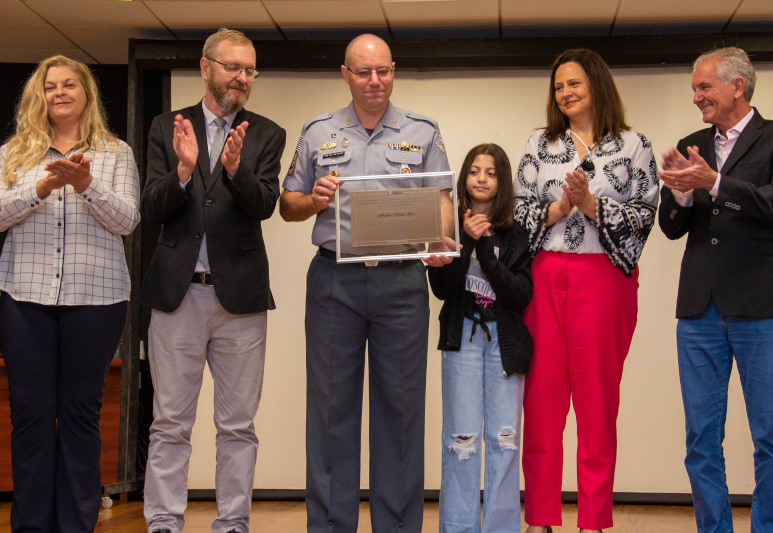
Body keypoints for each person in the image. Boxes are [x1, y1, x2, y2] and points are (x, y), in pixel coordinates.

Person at [279, 33, 454, 533]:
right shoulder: (317, 131)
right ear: (346, 74)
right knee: (331, 413)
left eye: (383, 71)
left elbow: (441, 197)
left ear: (393, 71)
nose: (375, 81)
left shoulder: (422, 131)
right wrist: (312, 199)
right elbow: (287, 204)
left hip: (401, 284)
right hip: (336, 282)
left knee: (400, 414)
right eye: (363, 72)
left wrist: (441, 238)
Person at [139, 28, 286, 533]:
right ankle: (163, 520)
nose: (242, 78)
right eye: (233, 68)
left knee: (237, 426)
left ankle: (232, 523)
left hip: (240, 299)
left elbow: (265, 205)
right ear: (206, 68)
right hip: (177, 293)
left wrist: (235, 170)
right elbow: (152, 207)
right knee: (170, 422)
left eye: (249, 70)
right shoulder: (165, 126)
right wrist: (182, 171)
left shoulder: (266, 133)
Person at [514, 48, 659, 533]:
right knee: (543, 404)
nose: (566, 93)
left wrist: (593, 207)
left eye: (574, 83)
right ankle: (539, 518)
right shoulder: (540, 143)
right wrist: (558, 210)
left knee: (598, 406)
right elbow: (515, 213)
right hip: (546, 277)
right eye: (559, 87)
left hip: (604, 281)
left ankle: (594, 519)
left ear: (597, 84)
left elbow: (644, 215)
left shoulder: (633, 144)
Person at [658, 47, 773, 533]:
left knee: (771, 438)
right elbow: (673, 228)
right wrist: (678, 192)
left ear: (737, 85)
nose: (695, 97)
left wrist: (715, 182)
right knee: (700, 439)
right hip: (699, 311)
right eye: (695, 89)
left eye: (704, 87)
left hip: (764, 309)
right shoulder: (691, 143)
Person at [0, 55, 140, 532]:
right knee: (31, 413)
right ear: (39, 97)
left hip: (96, 302)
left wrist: (86, 184)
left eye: (69, 85)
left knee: (81, 414)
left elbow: (127, 221)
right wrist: (38, 188)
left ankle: (78, 525)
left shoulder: (115, 153)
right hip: (24, 298)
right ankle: (31, 525)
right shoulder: (13, 153)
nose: (60, 92)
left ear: (86, 94)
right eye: (51, 86)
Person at [429, 143, 533, 533]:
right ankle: (457, 527)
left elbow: (521, 294)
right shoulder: (448, 228)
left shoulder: (517, 234)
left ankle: (501, 527)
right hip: (462, 344)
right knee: (462, 441)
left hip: (504, 348)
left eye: (491, 172)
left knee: (505, 441)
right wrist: (467, 242)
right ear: (464, 178)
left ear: (502, 182)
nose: (482, 179)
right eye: (474, 170)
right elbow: (440, 287)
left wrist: (487, 253)